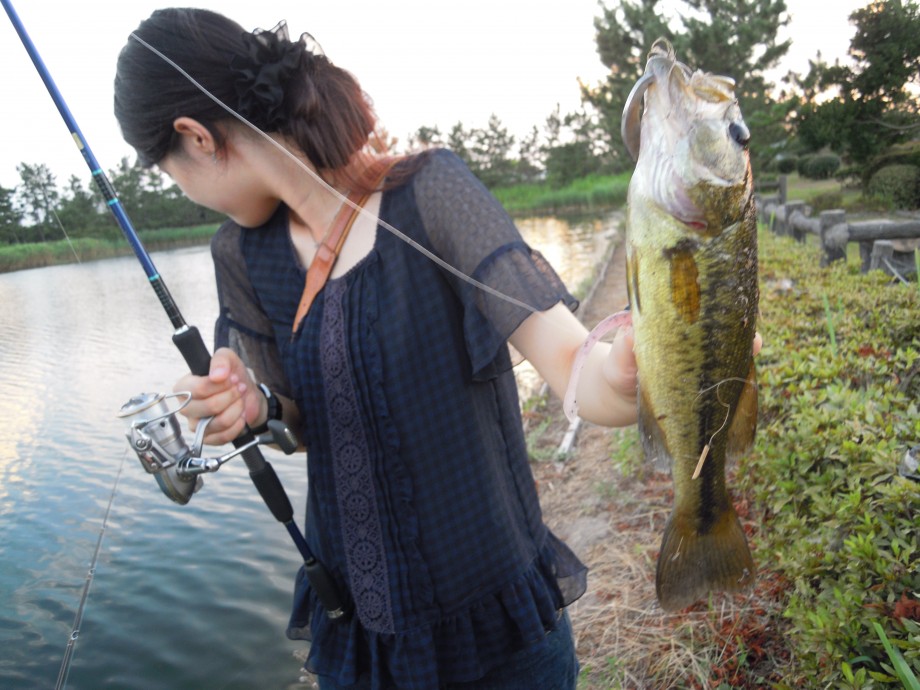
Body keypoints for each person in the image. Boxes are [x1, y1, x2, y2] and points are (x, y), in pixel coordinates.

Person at [114, 9, 640, 689]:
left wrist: (624, 374)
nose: (185, 193)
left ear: (196, 136)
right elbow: (297, 422)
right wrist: (255, 405)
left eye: (169, 170)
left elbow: (574, 365)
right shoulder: (243, 255)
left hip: (501, 632)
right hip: (363, 648)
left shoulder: (430, 192)